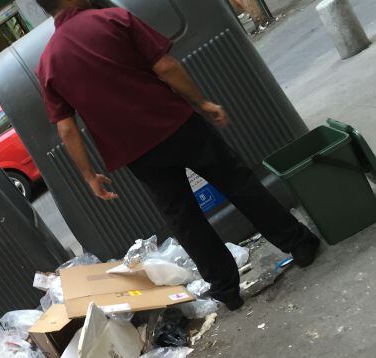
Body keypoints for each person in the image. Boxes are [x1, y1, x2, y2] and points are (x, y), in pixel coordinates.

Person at [34, 0, 320, 310]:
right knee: (238, 183)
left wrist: (89, 175)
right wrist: (201, 102)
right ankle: (299, 244)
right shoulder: (112, 19)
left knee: (184, 219)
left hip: (137, 153)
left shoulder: (48, 62)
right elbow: (166, 66)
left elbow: (66, 129)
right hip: (177, 125)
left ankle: (226, 289)